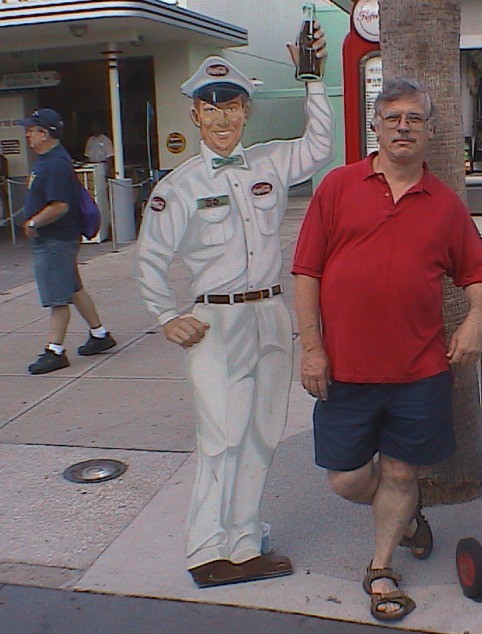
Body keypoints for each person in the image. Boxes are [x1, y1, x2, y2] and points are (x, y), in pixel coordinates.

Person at [292, 77, 482, 622]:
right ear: (377, 127)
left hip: (418, 370)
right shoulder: (337, 187)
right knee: (347, 478)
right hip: (346, 370)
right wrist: (312, 348)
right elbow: (306, 272)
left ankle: (380, 567)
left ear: (429, 132)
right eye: (393, 118)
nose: (403, 127)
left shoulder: (445, 205)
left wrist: (474, 322)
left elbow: (479, 275)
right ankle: (405, 518)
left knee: (402, 474)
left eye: (414, 119)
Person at [135, 33, 334, 588]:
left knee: (261, 434)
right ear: (195, 114)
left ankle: (243, 543)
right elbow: (150, 256)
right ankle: (205, 549)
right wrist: (164, 315)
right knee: (220, 439)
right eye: (211, 106)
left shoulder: (269, 162)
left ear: (245, 110)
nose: (222, 117)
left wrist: (313, 80)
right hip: (215, 322)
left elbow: (319, 144)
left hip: (269, 314)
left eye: (232, 105)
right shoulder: (180, 187)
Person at [19, 108, 117, 375]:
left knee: (57, 297)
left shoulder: (54, 164)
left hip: (55, 240)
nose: (28, 134)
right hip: (59, 239)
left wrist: (33, 222)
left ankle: (55, 350)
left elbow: (60, 205)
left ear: (46, 133)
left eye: (32, 129)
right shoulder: (49, 160)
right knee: (72, 287)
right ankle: (99, 334)